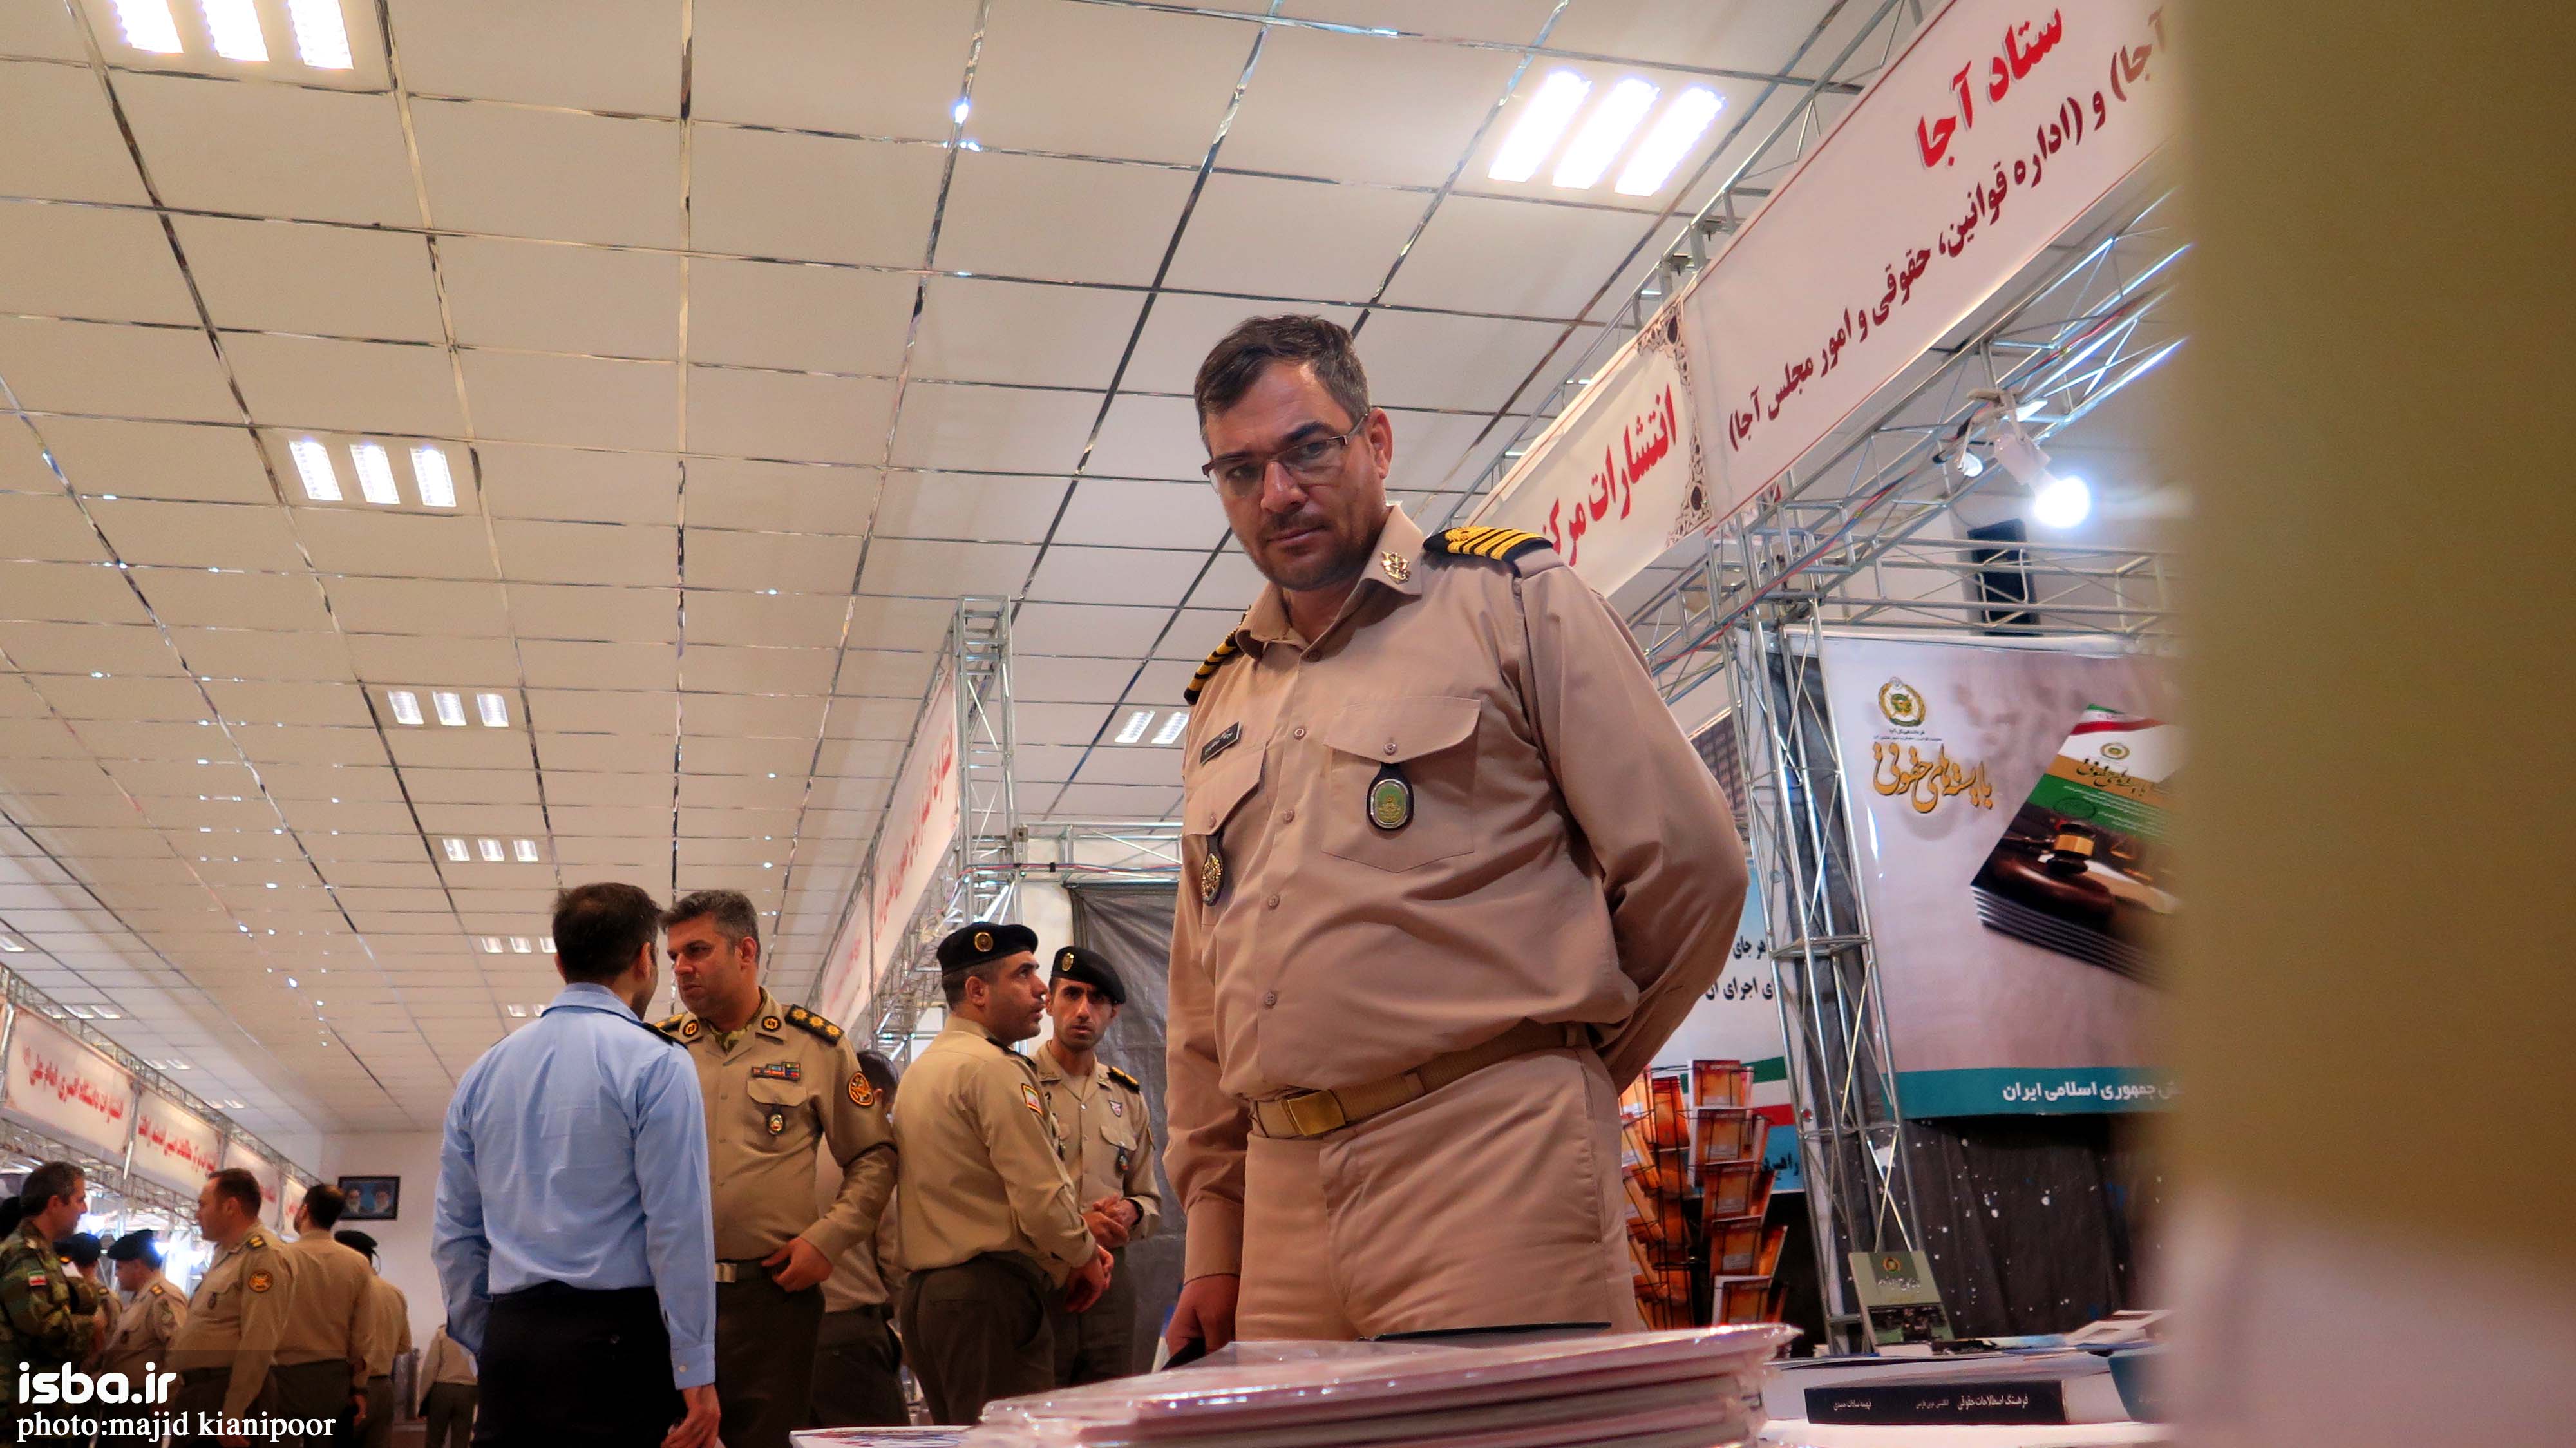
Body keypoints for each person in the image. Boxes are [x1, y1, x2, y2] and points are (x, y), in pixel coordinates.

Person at [1164, 316, 1747, 1349]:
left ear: (1377, 441)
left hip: (1489, 1166)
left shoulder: (1511, 603)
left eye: (1309, 449)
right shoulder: (1223, 697)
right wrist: (1217, 1236)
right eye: (1241, 470)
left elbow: (1692, 869)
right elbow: (1201, 997)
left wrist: (1562, 1070)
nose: (1278, 493)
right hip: (1281, 1205)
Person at [433, 882, 719, 1448]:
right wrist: (695, 1367)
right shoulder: (656, 1064)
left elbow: (455, 1233)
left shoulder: (483, 1074)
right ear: (644, 960)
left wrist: (486, 1340)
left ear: (560, 964)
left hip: (512, 1338)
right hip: (615, 1344)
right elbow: (677, 1227)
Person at [656, 889, 896, 1448]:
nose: (682, 968)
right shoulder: (660, 1051)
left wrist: (828, 1240)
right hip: (672, 1298)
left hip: (774, 1300)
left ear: (745, 952)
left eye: (697, 951)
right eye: (674, 956)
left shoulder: (817, 1047)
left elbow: (874, 1156)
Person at [893, 923, 1112, 1425]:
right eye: (1024, 974)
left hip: (930, 1298)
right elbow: (1041, 1199)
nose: (1041, 989)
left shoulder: (924, 1070)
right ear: (977, 991)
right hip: (989, 1298)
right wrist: (1084, 1255)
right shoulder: (993, 1069)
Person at [1034, 947, 1162, 1386]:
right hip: (1042, 1277)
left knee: (1109, 1407)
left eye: (1097, 999)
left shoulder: (1127, 1097)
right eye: (1071, 994)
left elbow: (1149, 1198)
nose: (1083, 1010)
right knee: (1037, 1409)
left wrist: (1131, 1212)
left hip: (1110, 1285)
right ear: (1049, 1003)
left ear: (1113, 1013)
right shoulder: (1019, 1084)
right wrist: (1075, 1226)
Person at [808, 1051, 910, 1429]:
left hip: (781, 1335)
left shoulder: (786, 1150)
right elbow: (894, 1256)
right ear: (875, 1098)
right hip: (849, 1336)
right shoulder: (870, 1161)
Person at [168, 1168, 298, 1437]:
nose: (197, 1214)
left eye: (203, 1205)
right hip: (200, 1393)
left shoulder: (263, 1255)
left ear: (230, 1207)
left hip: (225, 1394)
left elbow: (259, 1339)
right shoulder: (225, 1253)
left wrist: (234, 1411)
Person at [0, 1163, 104, 1425]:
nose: (84, 1209)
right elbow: (41, 1329)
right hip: (19, 1411)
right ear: (55, 1203)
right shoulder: (24, 1254)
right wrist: (91, 1326)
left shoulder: (42, 1253)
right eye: (79, 1200)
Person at [275, 1184, 379, 1442]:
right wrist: (359, 1387)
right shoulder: (357, 1264)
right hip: (332, 1379)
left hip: (280, 1375)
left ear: (304, 1211)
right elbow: (363, 1334)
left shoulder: (279, 1257)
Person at [333, 1230, 408, 1448]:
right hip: (384, 1388)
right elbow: (404, 1346)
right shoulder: (395, 1293)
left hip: (349, 1388)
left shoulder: (344, 1290)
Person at [97, 1230, 187, 1404]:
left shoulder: (164, 1298)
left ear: (137, 1266)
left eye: (120, 1268)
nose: (116, 1274)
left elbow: (178, 1350)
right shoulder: (140, 1299)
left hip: (142, 1399)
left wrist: (163, 1399)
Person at [416, 1324, 477, 1448]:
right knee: (461, 1441)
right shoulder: (477, 1334)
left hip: (442, 1390)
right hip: (468, 1391)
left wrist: (422, 1400)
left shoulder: (443, 1333)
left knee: (434, 1440)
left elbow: (430, 1369)